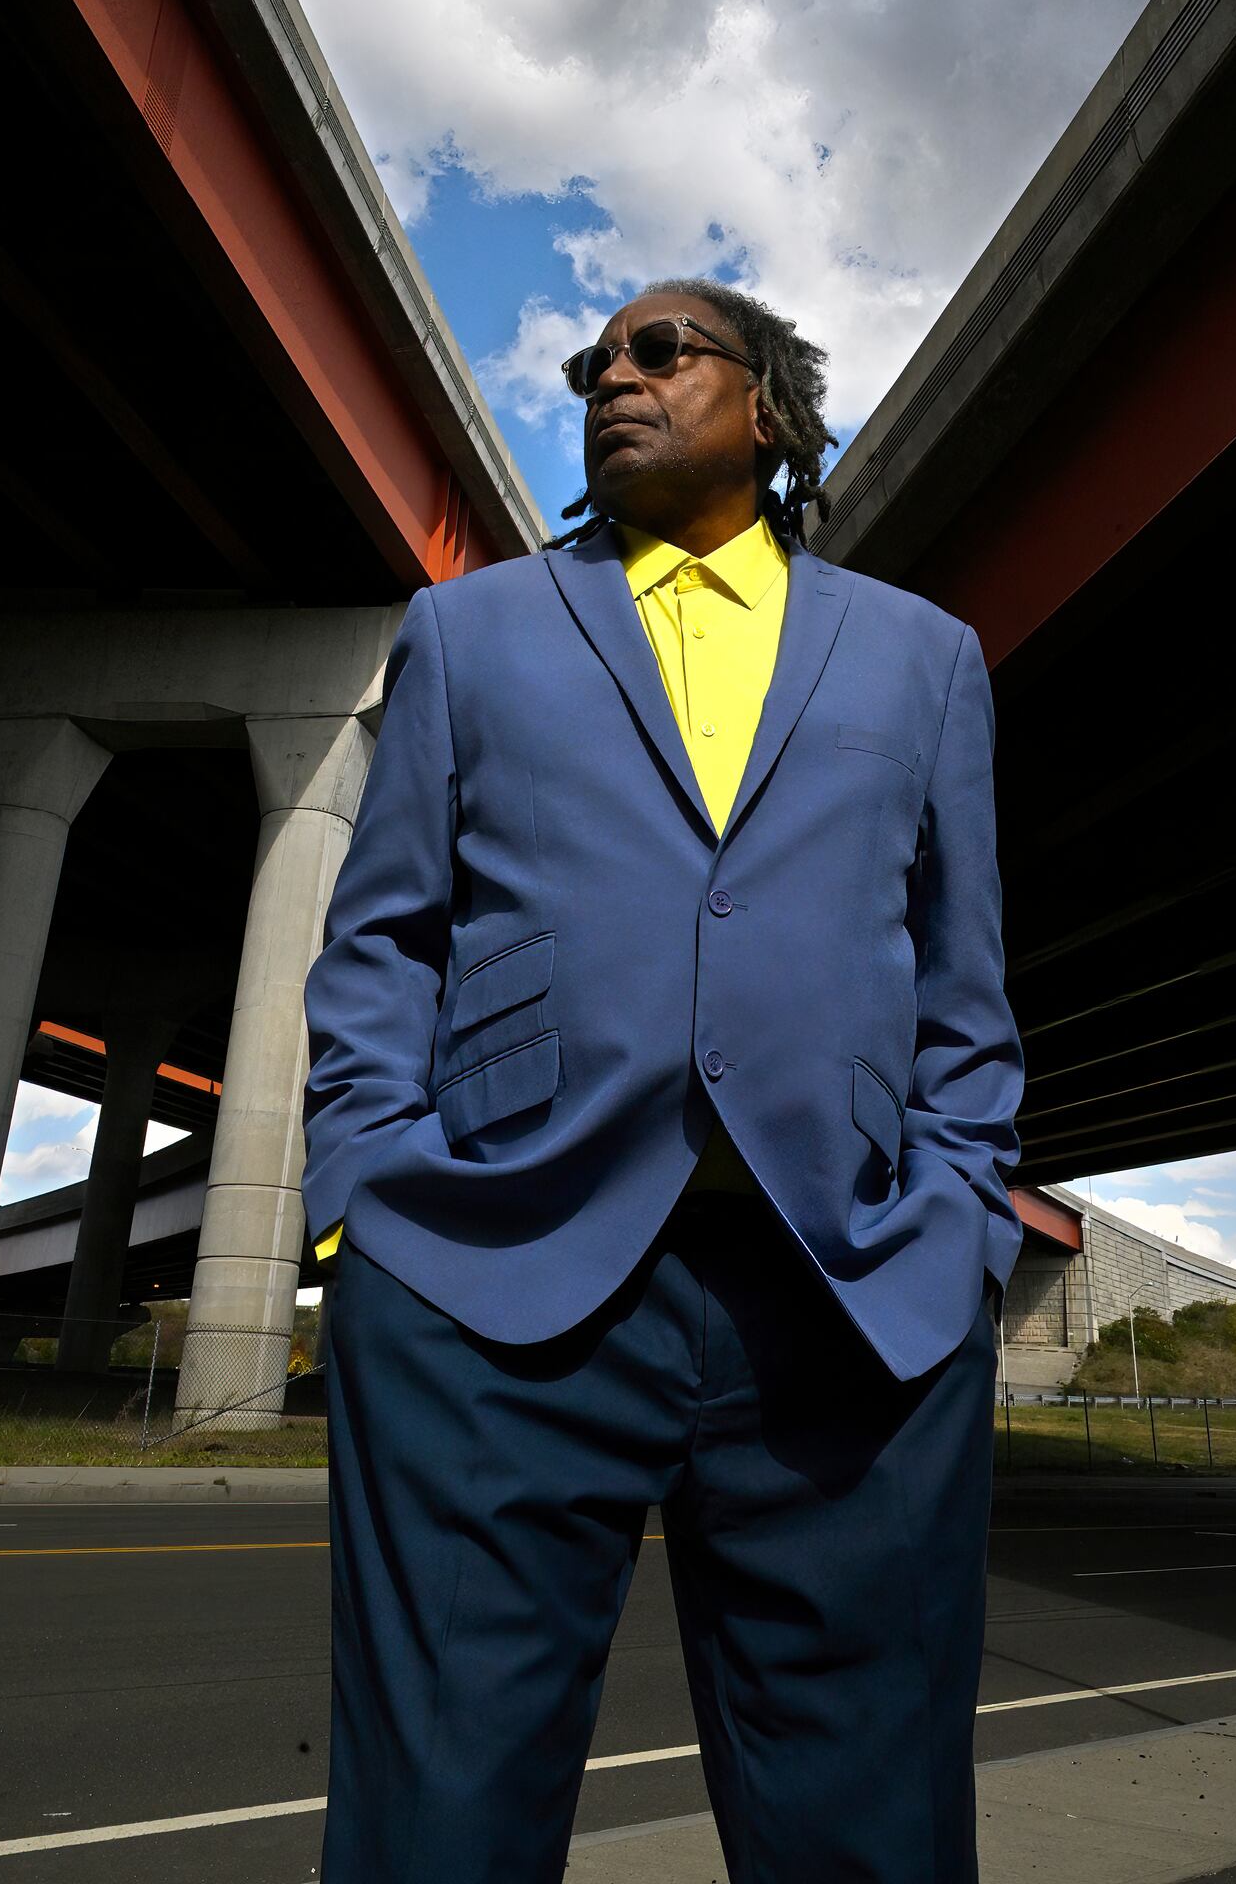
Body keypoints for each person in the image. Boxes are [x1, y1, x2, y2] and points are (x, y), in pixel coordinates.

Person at [301, 279, 1024, 1882]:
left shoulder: (924, 657)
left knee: (875, 1831)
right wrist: (362, 1203)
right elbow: (382, 939)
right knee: (438, 1824)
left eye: (658, 350)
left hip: (849, 1299)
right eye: (591, 361)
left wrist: (962, 1217)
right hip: (488, 1284)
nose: (611, 376)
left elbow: (964, 989)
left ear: (770, 408)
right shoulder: (471, 628)